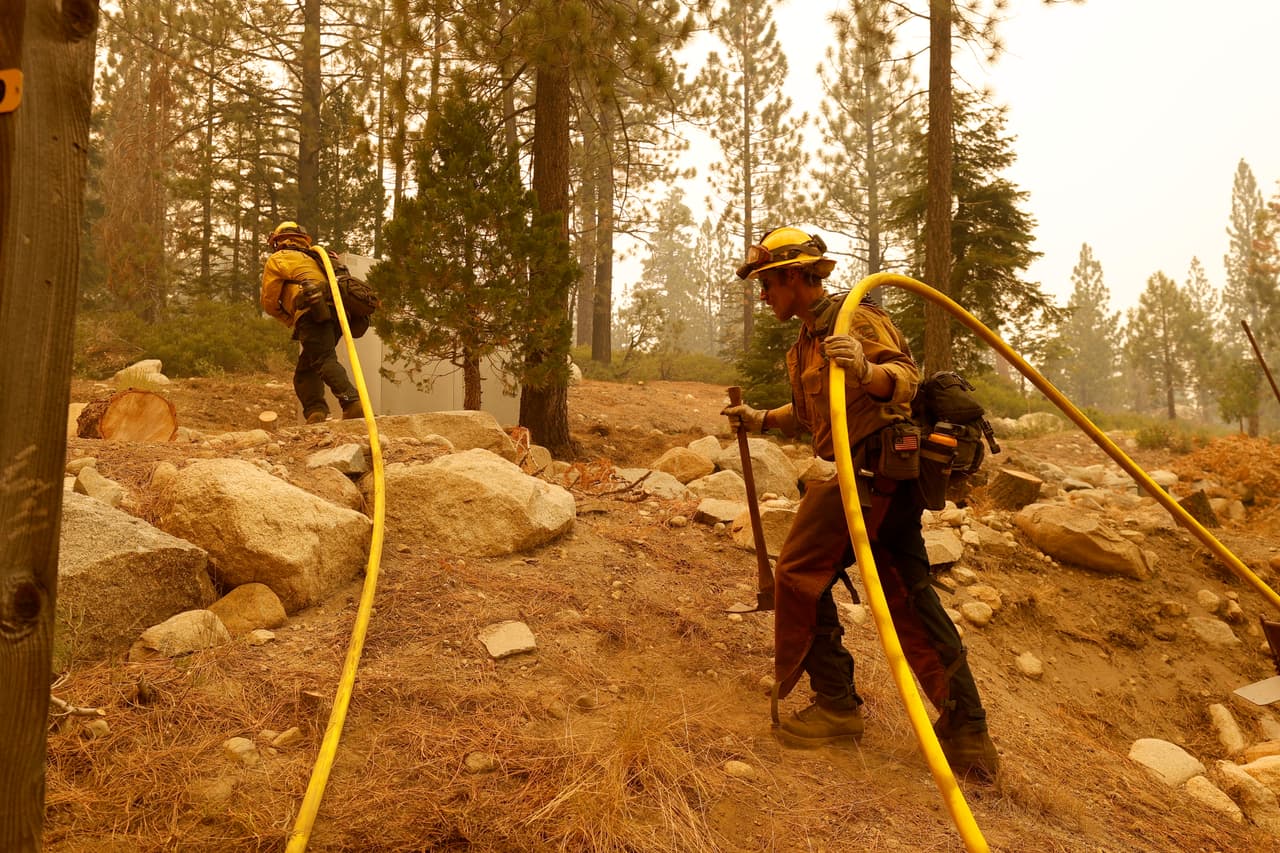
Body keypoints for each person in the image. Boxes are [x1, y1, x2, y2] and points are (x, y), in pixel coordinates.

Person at [721, 225, 999, 780]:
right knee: (907, 595)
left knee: (800, 572)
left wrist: (867, 370)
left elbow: (904, 378)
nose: (763, 295)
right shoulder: (803, 342)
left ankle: (837, 707)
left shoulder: (855, 319)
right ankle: (967, 732)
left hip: (873, 474)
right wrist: (759, 420)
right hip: (866, 478)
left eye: (767, 283)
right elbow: (811, 415)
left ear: (795, 276)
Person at [260, 221, 362, 424]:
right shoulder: (317, 258)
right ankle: (316, 413)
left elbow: (269, 302)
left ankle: (352, 402)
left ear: (277, 241)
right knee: (306, 370)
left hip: (311, 313)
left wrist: (290, 319)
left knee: (323, 359)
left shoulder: (280, 258)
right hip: (337, 315)